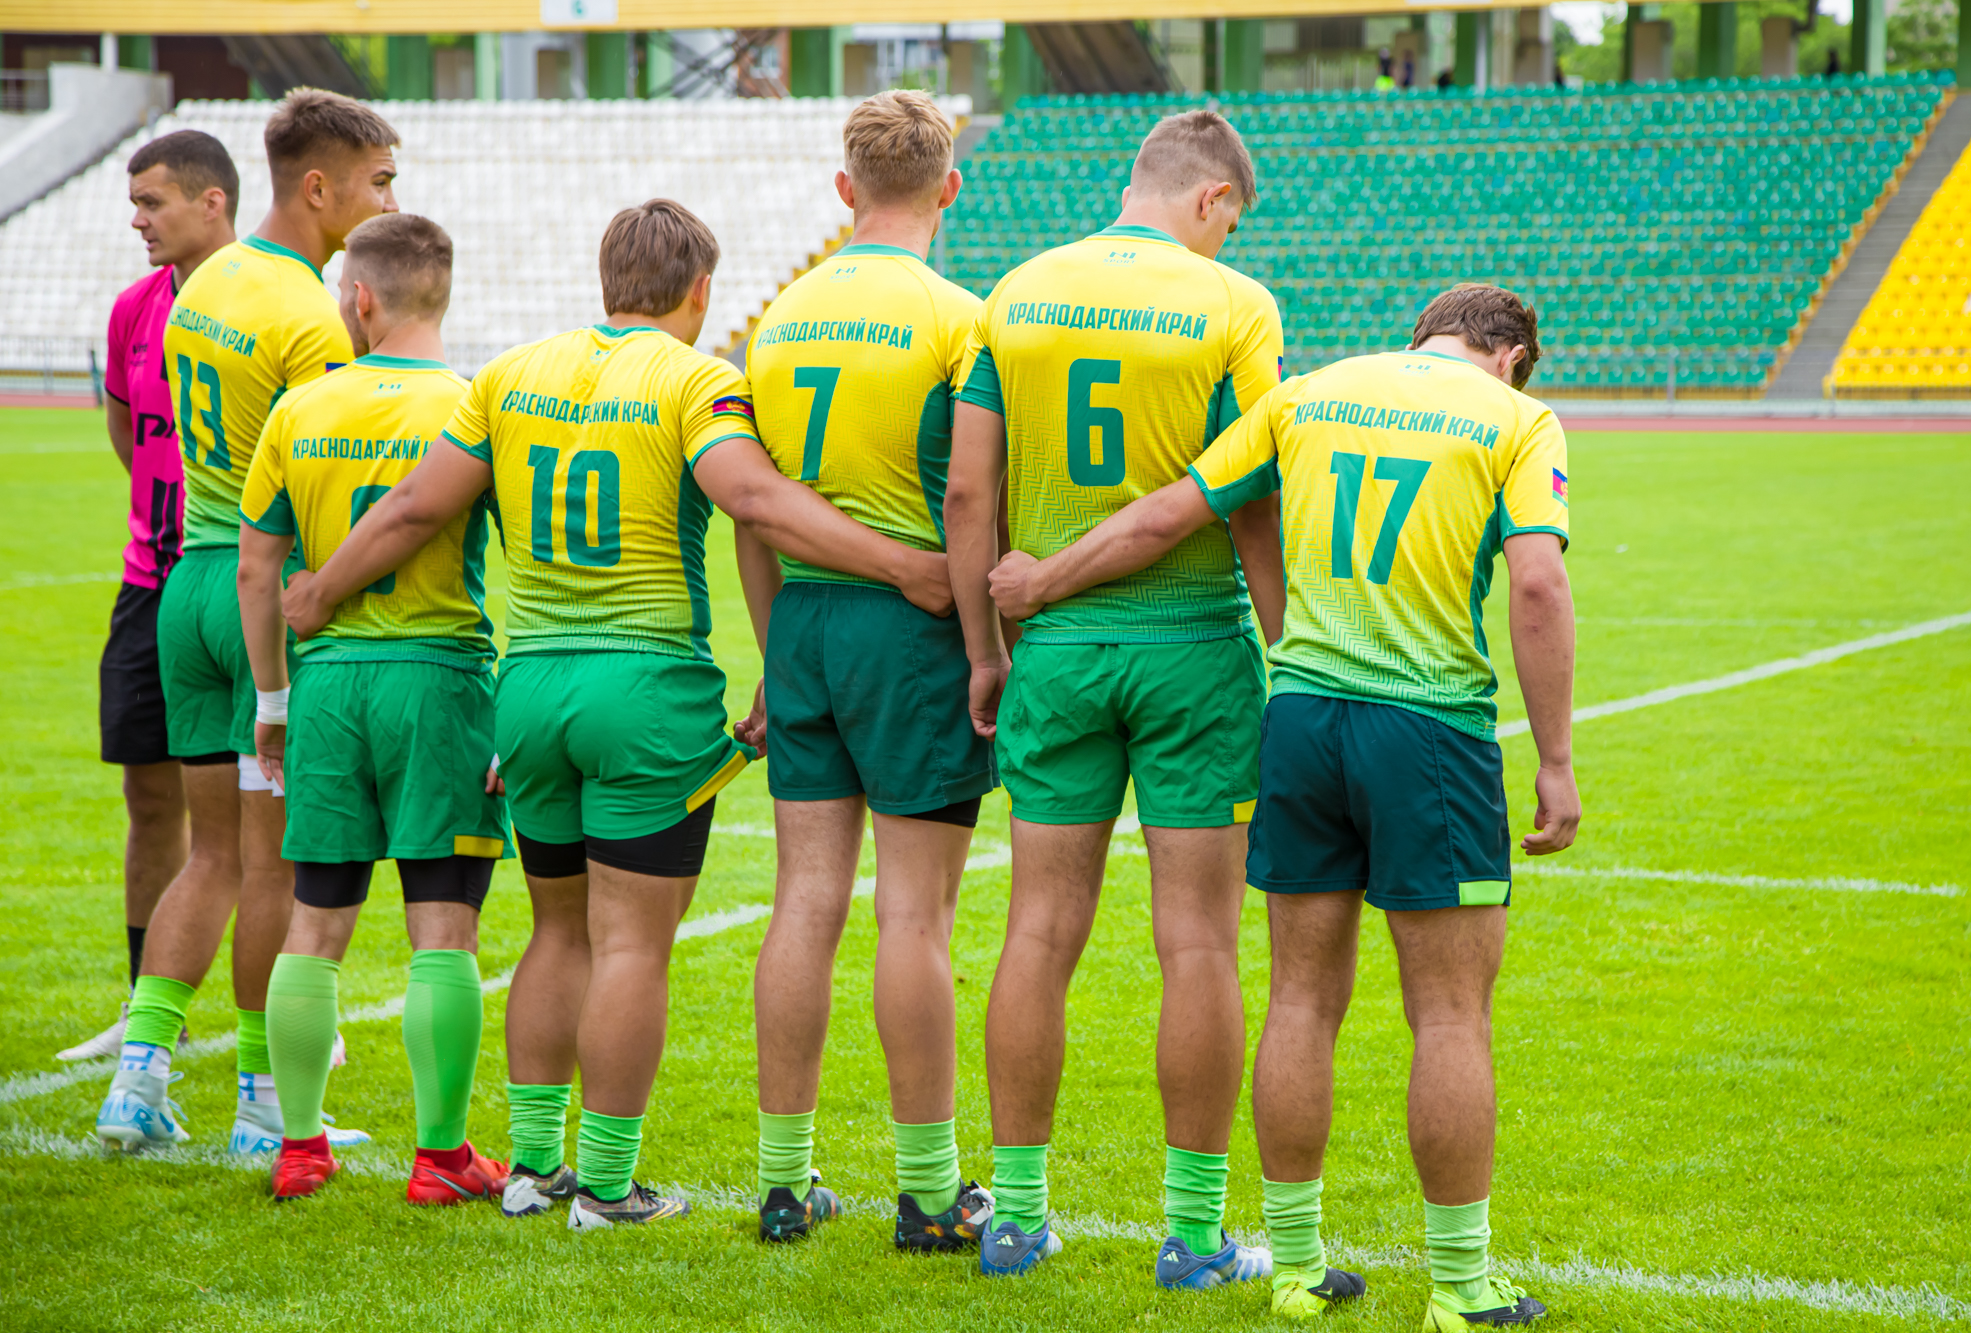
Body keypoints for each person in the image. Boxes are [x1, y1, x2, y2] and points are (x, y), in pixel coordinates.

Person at [282, 198, 954, 1232]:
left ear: (606, 277)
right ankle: (605, 1184)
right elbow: (757, 502)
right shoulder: (698, 381)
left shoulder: (508, 374)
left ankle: (531, 1166)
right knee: (632, 944)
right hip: (642, 690)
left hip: (529, 691)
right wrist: (906, 565)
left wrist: (321, 591)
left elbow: (415, 506)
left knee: (556, 932)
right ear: (700, 291)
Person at [986, 282, 1579, 1326]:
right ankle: (1458, 1286)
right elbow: (1536, 584)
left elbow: (1166, 513)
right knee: (1448, 1011)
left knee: (1301, 998)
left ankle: (1298, 1269)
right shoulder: (1518, 418)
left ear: (1422, 334)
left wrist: (1041, 584)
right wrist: (1556, 759)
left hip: (1300, 721)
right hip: (1428, 726)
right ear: (1510, 355)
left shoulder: (1308, 392)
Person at [941, 109, 1287, 1286]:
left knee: (1036, 932)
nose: (1226, 238)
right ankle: (1192, 1235)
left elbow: (968, 493)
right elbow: (1249, 493)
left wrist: (986, 648)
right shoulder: (1233, 304)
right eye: (1228, 220)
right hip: (1191, 649)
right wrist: (1284, 648)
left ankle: (1015, 1219)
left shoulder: (1015, 292)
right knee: (1197, 942)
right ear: (1208, 199)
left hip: (1054, 651)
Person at [95, 88, 399, 1156]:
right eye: (379, 182)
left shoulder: (203, 283)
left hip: (186, 582)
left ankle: (137, 1079)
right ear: (318, 187)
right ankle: (264, 1106)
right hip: (262, 590)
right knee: (272, 865)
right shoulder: (311, 316)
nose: (388, 202)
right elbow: (327, 476)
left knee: (210, 855)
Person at [737, 90, 995, 1250]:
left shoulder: (775, 319)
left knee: (803, 899)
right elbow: (969, 496)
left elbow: (752, 510)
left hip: (803, 622)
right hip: (912, 625)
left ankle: (782, 1183)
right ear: (949, 186)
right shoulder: (959, 318)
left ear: (843, 189)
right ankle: (929, 1193)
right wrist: (982, 641)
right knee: (914, 915)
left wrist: (773, 647)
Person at [236, 213, 513, 1203]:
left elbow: (257, 568)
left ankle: (299, 1147)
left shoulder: (300, 407)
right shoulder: (475, 404)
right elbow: (527, 559)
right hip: (438, 680)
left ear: (359, 297)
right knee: (443, 930)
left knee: (314, 925)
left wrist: (274, 699)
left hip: (329, 686)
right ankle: (440, 1159)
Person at [61, 131, 238, 1063]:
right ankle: (147, 1005)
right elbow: (129, 436)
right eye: (134, 203)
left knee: (268, 804)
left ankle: (293, 1010)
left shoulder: (265, 300)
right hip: (150, 583)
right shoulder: (134, 308)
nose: (137, 220)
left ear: (213, 202)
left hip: (241, 584)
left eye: (152, 202)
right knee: (150, 795)